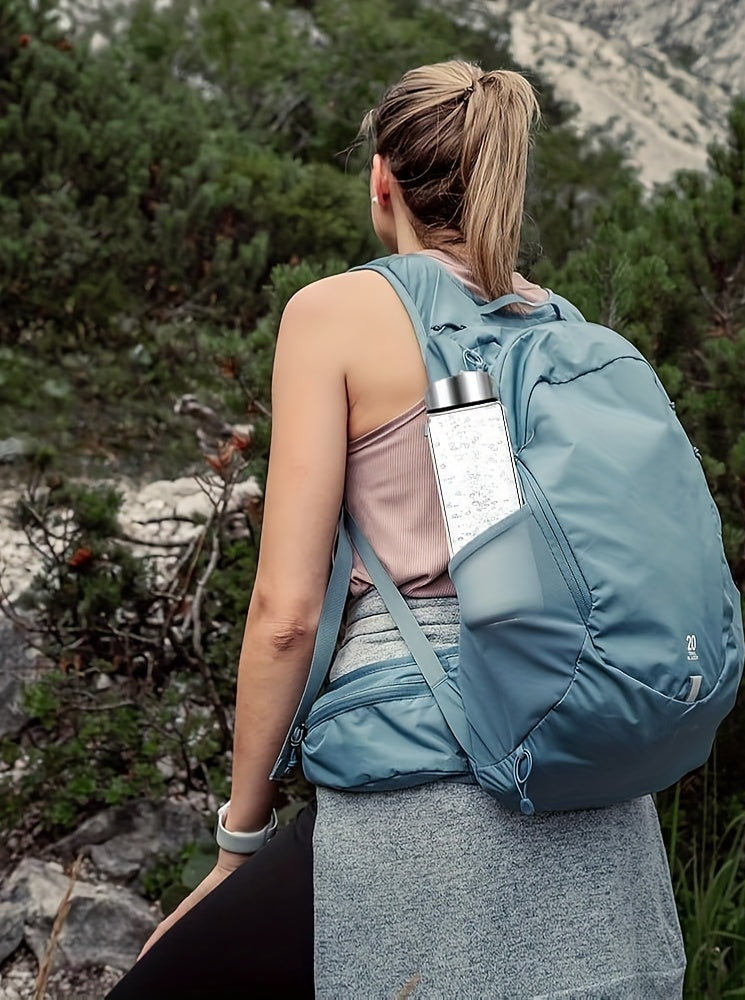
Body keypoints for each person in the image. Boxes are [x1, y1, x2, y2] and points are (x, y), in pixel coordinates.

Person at [107, 60, 686, 999]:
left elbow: (286, 613)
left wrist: (237, 841)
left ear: (383, 179)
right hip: (596, 789)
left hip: (421, 775)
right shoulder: (565, 329)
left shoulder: (335, 314)